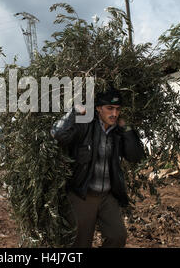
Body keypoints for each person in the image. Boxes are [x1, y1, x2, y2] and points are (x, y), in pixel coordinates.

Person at [51, 86, 145, 248]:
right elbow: (57, 134)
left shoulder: (118, 132)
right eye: (109, 108)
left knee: (117, 236)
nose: (114, 114)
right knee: (80, 244)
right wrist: (73, 112)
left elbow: (135, 156)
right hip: (83, 194)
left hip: (108, 196)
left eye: (117, 109)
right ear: (98, 108)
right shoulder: (85, 124)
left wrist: (128, 130)